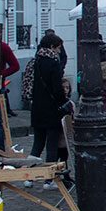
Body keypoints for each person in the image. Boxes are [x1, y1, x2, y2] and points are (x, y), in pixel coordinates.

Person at [28, 32, 72, 168]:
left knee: (38, 143)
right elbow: (57, 88)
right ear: (53, 47)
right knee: (52, 145)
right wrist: (63, 102)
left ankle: (28, 176)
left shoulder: (35, 60)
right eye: (58, 48)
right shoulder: (53, 62)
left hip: (37, 108)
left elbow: (29, 85)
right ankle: (49, 178)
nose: (59, 51)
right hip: (51, 108)